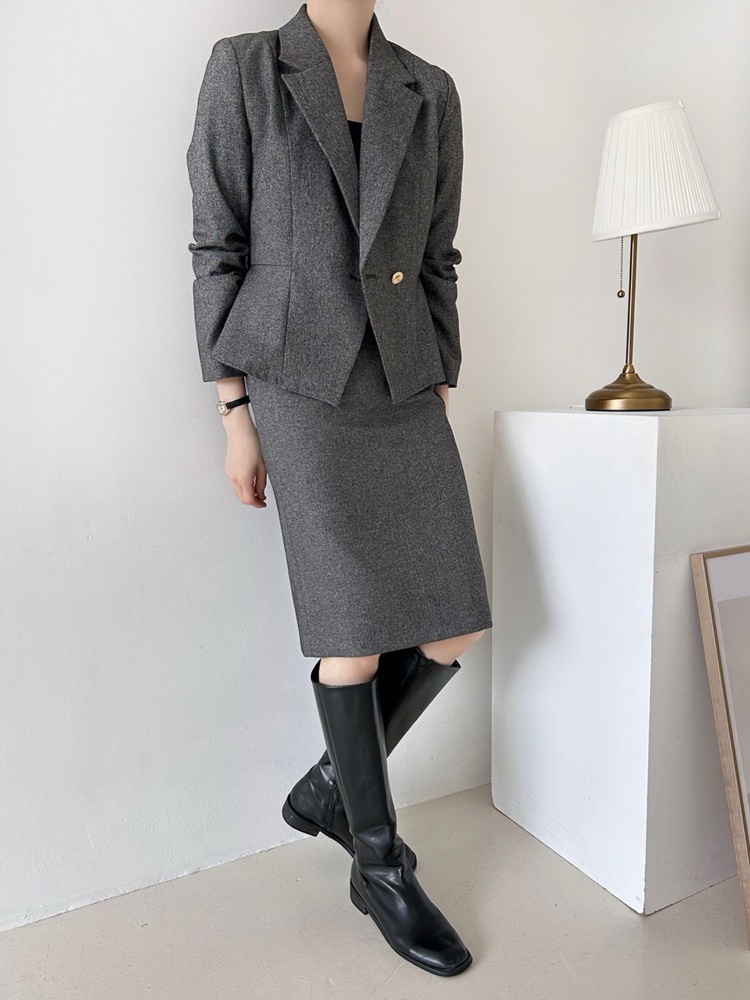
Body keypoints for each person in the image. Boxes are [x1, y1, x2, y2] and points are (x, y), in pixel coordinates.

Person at [186, 0, 492, 977]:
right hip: (297, 380)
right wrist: (234, 411)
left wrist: (441, 374)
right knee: (351, 639)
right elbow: (218, 245)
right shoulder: (245, 68)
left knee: (454, 624)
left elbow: (438, 255)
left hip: (404, 382)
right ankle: (380, 864)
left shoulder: (429, 92)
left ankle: (329, 787)